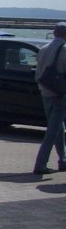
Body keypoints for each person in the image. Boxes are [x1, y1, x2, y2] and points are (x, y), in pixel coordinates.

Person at [33, 21, 66, 176]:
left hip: (45, 93)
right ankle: (40, 165)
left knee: (58, 129)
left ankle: (63, 160)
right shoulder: (64, 50)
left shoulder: (43, 49)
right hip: (60, 95)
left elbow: (38, 74)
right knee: (52, 132)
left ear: (54, 33)